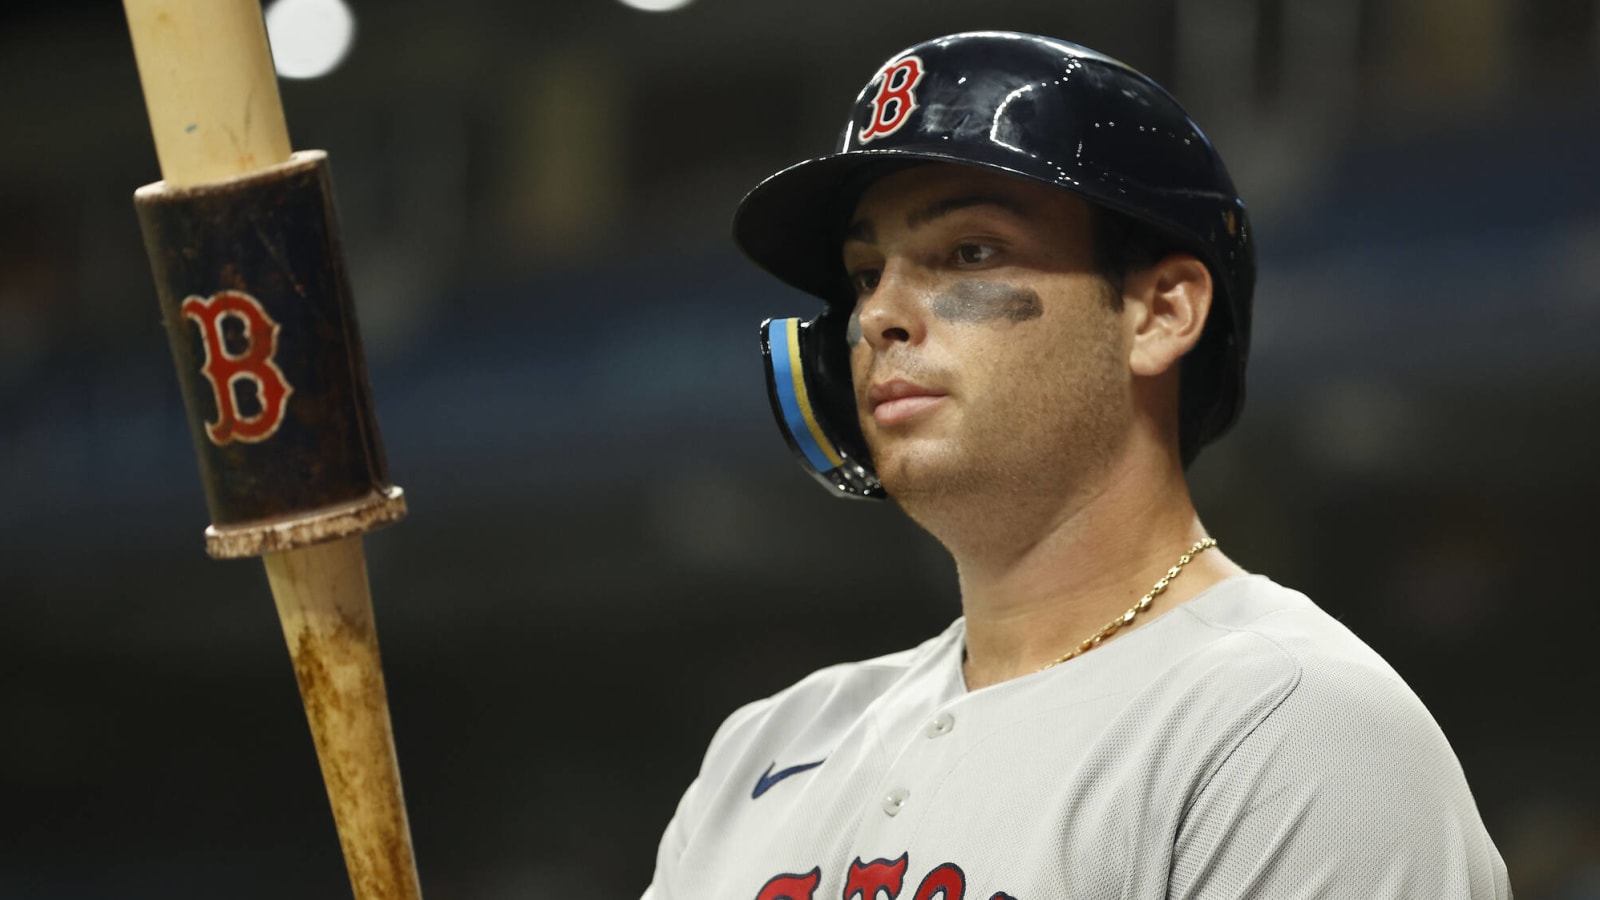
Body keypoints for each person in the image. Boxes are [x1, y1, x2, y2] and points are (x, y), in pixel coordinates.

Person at [643, 31, 1510, 900]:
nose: (879, 317)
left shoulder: (1290, 726)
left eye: (969, 252)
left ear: (1161, 312)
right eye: (866, 273)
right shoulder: (763, 751)